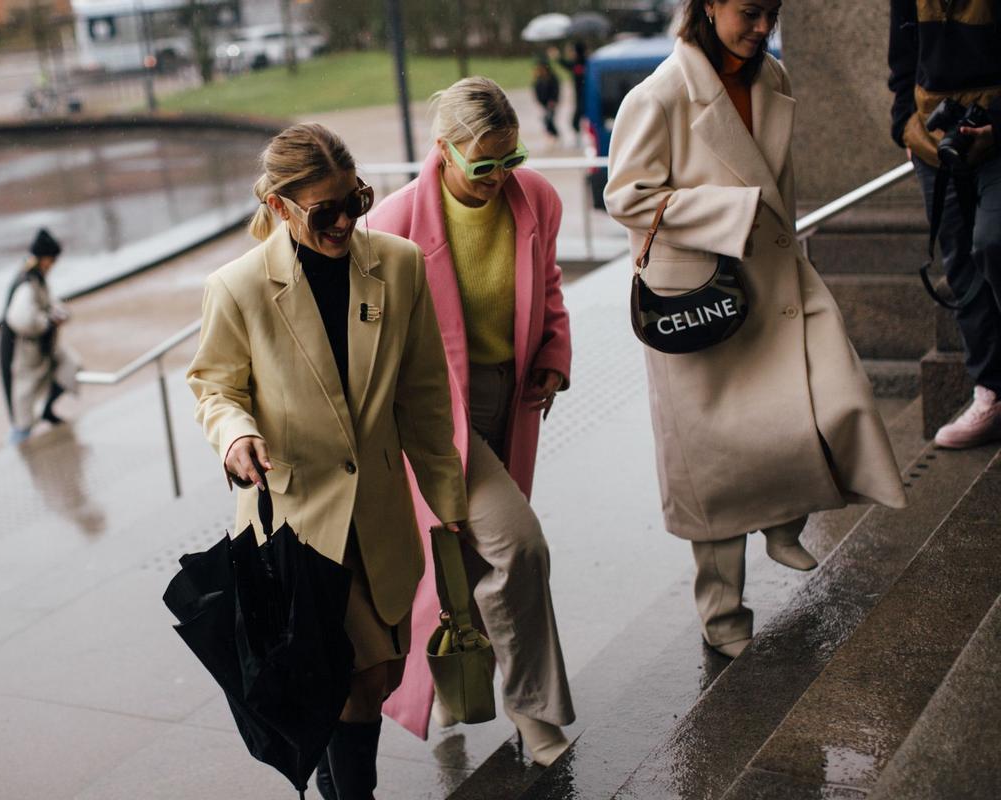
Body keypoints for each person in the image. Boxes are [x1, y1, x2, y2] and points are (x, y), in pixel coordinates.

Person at [605, 0, 908, 658]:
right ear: (708, 6)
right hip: (700, 295)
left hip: (776, 279)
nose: (763, 25)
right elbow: (624, 196)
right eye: (748, 11)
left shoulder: (774, 78)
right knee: (714, 467)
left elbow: (782, 187)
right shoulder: (657, 97)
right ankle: (722, 614)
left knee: (836, 397)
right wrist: (733, 212)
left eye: (771, 11)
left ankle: (783, 517)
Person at [186, 122, 468, 800]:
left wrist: (451, 508)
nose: (345, 220)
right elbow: (215, 385)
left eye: (356, 200)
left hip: (378, 520)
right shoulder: (239, 287)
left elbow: (425, 398)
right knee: (348, 691)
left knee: (373, 680)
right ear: (280, 206)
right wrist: (233, 434)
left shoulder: (398, 266)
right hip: (295, 526)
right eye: (325, 210)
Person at [371, 76, 575, 766]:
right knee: (518, 546)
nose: (497, 180)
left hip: (508, 401)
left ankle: (469, 692)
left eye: (509, 162)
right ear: (443, 151)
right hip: (434, 420)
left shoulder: (537, 198)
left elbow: (547, 287)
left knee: (475, 559)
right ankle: (536, 715)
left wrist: (553, 353)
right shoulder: (393, 225)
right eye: (482, 166)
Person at [888, 0, 1001, 449]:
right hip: (934, 138)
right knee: (959, 263)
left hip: (994, 131)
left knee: (994, 241)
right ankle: (990, 392)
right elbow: (903, 57)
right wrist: (904, 126)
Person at [0, 228, 80, 444]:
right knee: (22, 413)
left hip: (41, 349)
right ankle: (15, 452)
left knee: (70, 366)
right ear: (44, 259)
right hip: (26, 354)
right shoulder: (27, 283)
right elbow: (20, 318)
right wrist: (46, 322)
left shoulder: (36, 279)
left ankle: (46, 409)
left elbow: (48, 302)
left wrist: (56, 312)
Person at [557, 41, 590, 146]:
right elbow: (566, 65)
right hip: (580, 96)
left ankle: (584, 138)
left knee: (581, 119)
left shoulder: (586, 62)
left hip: (587, 96)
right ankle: (580, 138)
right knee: (577, 120)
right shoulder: (577, 63)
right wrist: (558, 57)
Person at [533, 60, 561, 142]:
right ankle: (552, 134)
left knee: (549, 119)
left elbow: (556, 90)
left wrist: (553, 100)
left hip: (551, 102)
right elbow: (536, 90)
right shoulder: (539, 78)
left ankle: (555, 134)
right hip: (544, 103)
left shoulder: (552, 77)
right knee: (546, 119)